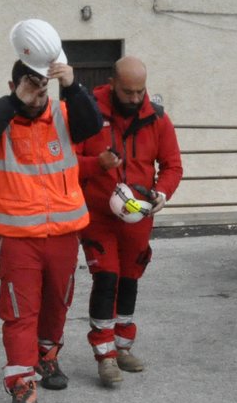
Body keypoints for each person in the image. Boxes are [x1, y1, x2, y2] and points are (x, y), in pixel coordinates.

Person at [0, 58, 102, 403]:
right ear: (13, 88)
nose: (38, 97)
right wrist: (15, 102)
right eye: (29, 88)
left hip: (64, 232)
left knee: (58, 300)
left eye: (42, 89)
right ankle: (22, 386)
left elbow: (93, 125)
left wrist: (71, 85)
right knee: (20, 312)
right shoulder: (2, 118)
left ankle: (47, 355)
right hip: (18, 236)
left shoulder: (64, 113)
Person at [76, 57, 183, 385]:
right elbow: (66, 163)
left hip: (138, 217)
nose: (135, 99)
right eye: (128, 92)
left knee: (129, 280)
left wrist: (161, 194)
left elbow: (172, 166)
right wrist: (97, 164)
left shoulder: (158, 119)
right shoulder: (89, 115)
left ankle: (123, 347)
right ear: (112, 84)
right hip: (98, 217)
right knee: (106, 279)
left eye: (140, 91)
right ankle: (105, 356)